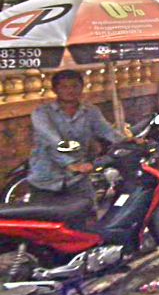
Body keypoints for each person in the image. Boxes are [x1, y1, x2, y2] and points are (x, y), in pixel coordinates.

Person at [27, 68, 125, 207]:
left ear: (82, 87)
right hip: (46, 179)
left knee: (87, 213)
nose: (70, 90)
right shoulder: (42, 113)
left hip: (77, 179)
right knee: (44, 218)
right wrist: (71, 164)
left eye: (74, 86)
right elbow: (52, 141)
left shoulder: (90, 111)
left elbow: (106, 130)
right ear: (55, 90)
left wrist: (127, 140)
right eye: (64, 87)